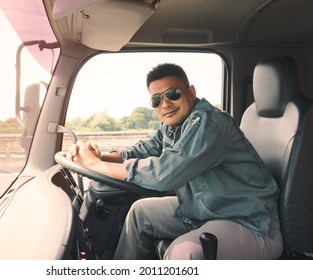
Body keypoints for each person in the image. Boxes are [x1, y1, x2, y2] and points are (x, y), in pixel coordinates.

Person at [66, 63, 283, 259]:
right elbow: (142, 150)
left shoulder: (209, 123)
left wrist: (98, 167)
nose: (165, 103)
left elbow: (164, 174)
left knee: (183, 253)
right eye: (156, 99)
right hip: (206, 210)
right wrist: (98, 155)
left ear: (191, 92)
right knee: (140, 212)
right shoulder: (173, 126)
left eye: (172, 93)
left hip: (249, 223)